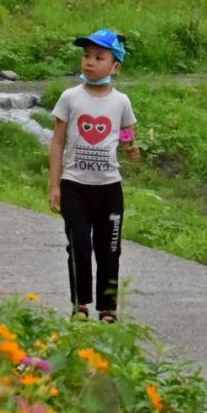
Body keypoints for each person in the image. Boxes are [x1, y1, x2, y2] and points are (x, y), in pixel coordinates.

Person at [48, 29, 139, 323]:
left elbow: (127, 137)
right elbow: (58, 142)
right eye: (86, 55)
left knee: (109, 250)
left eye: (99, 57)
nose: (89, 62)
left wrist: (132, 150)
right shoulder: (70, 98)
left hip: (109, 189)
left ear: (115, 67)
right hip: (74, 186)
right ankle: (80, 305)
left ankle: (107, 308)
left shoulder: (121, 102)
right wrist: (54, 185)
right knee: (79, 247)